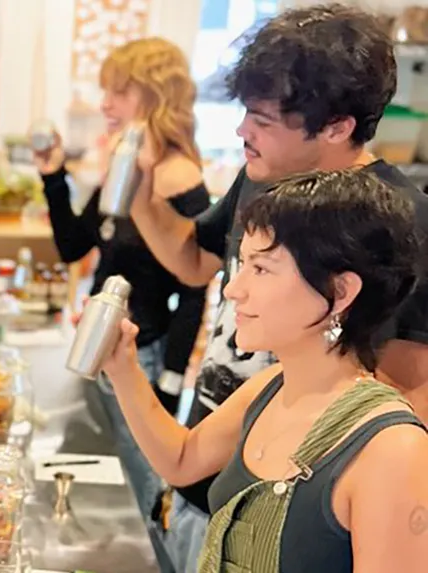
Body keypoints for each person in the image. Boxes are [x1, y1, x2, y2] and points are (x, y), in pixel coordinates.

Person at [121, 5, 428, 571]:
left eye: (262, 118)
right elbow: (195, 263)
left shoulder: (398, 224)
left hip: (298, 515)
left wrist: (301, 500)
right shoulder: (263, 177)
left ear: (336, 125)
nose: (242, 131)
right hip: (220, 473)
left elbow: (403, 401)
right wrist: (138, 195)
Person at [101, 169, 428, 571]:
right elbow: (182, 460)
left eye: (261, 269)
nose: (232, 289)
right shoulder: (272, 386)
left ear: (340, 292)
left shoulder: (391, 447)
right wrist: (123, 367)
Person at [35, 36, 209, 540]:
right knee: (103, 472)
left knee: (140, 487)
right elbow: (74, 247)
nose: (105, 104)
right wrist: (52, 177)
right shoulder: (124, 164)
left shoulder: (178, 175)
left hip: (144, 356)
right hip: (101, 343)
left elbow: (196, 287)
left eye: (119, 92)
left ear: (155, 94)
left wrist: (171, 381)